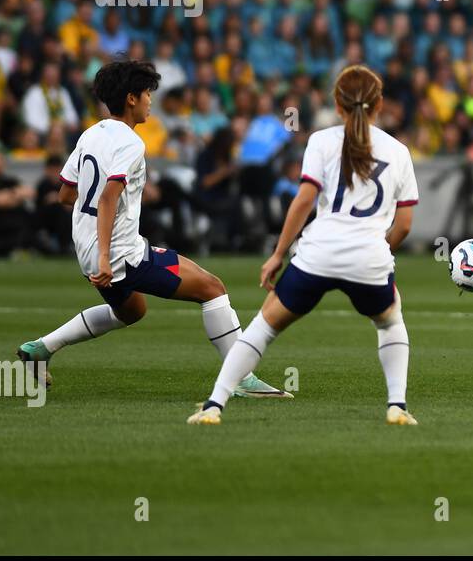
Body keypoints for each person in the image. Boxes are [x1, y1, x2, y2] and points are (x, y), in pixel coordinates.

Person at [15, 59, 287, 398]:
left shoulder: (91, 134)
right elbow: (109, 198)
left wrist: (96, 243)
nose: (150, 101)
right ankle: (242, 378)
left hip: (89, 252)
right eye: (146, 93)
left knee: (131, 310)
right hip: (119, 255)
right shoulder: (130, 143)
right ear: (131, 98)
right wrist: (105, 254)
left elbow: (66, 193)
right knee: (212, 288)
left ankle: (40, 348)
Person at [188, 65, 420, 426]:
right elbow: (404, 225)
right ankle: (397, 407)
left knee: (263, 328)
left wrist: (278, 254)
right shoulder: (399, 151)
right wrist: (380, 250)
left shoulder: (322, 141)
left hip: (318, 254)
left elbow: (303, 201)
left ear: (337, 105)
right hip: (369, 257)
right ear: (380, 105)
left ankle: (214, 406)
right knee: (390, 322)